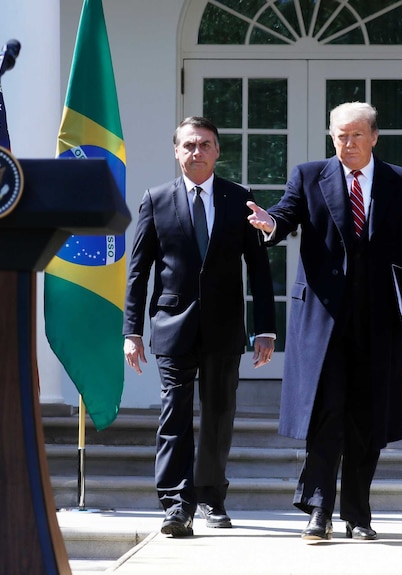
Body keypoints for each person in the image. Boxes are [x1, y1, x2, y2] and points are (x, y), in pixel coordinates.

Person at [247, 102, 402, 542]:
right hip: (322, 318)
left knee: (367, 418)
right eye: (340, 136)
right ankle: (319, 511)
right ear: (330, 137)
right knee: (326, 411)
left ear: (374, 137)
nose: (348, 144)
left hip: (377, 319)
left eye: (356, 135)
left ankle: (358, 515)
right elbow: (285, 213)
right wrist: (269, 224)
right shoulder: (309, 175)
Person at [124, 116, 276, 537]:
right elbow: (138, 272)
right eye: (188, 145)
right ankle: (176, 505)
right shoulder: (155, 200)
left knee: (219, 414)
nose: (196, 152)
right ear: (176, 151)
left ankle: (211, 497)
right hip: (172, 326)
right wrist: (131, 331)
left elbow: (259, 271)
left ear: (217, 151)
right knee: (174, 414)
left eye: (205, 144)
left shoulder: (239, 199)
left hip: (226, 328)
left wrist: (265, 328)